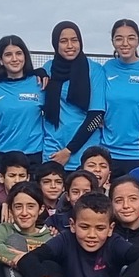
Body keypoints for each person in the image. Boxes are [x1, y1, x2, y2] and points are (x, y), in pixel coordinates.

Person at [42, 20, 107, 167]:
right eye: (63, 41)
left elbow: (96, 116)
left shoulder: (94, 70)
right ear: (55, 44)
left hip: (85, 154)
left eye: (74, 40)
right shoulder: (48, 68)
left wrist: (69, 150)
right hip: (53, 150)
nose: (70, 45)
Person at [99, 19, 139, 175]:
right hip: (109, 153)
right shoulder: (106, 68)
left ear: (138, 40)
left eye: (131, 38)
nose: (125, 43)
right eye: (119, 38)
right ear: (112, 41)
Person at [0, 35, 47, 163]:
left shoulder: (39, 83)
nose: (14, 59)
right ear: (0, 60)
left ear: (25, 56)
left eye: (19, 53)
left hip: (34, 156)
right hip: (4, 155)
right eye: (8, 55)